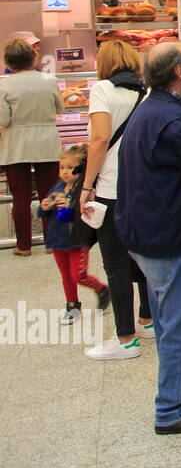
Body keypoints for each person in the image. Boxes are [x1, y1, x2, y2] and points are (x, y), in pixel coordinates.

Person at [115, 42, 181, 434]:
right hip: (170, 236)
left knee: (167, 321)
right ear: (180, 71)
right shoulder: (172, 121)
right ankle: (173, 410)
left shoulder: (154, 109)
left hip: (147, 232)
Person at [80, 40, 153, 360]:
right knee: (146, 258)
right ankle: (147, 320)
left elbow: (98, 140)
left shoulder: (102, 90)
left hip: (111, 189)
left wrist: (86, 185)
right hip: (143, 188)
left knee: (116, 264)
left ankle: (126, 339)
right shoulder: (147, 91)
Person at [0, 37, 63, 256]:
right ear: (33, 57)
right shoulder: (49, 80)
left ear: (8, 61)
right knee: (49, 194)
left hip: (15, 144)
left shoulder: (3, 84)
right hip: (47, 141)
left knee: (21, 198)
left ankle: (24, 246)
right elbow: (60, 108)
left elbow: (4, 119)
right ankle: (52, 242)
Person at [39, 144, 108, 324]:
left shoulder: (83, 191)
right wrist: (44, 207)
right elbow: (44, 213)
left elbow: (81, 215)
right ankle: (72, 306)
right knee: (66, 276)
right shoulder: (57, 188)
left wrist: (68, 208)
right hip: (56, 239)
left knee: (79, 275)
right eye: (62, 167)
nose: (65, 172)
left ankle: (102, 289)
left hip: (77, 240)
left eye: (70, 167)